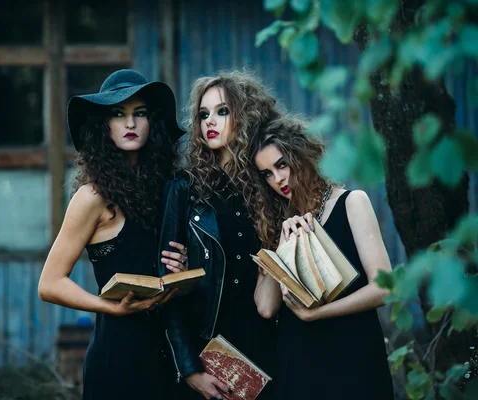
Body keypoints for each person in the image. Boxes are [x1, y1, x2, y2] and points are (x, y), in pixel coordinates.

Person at [38, 69, 187, 400]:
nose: (130, 124)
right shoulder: (92, 197)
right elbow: (49, 284)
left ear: (153, 122)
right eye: (118, 114)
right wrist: (110, 307)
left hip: (170, 353)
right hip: (118, 353)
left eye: (140, 113)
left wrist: (182, 266)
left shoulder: (170, 189)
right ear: (103, 126)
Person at [158, 70, 283, 400]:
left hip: (272, 344)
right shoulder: (183, 190)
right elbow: (168, 293)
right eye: (203, 114)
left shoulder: (270, 185)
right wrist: (189, 369)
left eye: (222, 111)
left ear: (247, 116)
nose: (209, 121)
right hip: (211, 351)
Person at [249, 117, 394, 400]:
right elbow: (266, 307)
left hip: (354, 359)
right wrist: (280, 242)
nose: (277, 180)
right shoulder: (275, 223)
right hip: (300, 366)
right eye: (266, 173)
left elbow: (385, 288)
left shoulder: (352, 203)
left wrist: (315, 314)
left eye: (281, 165)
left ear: (302, 155)